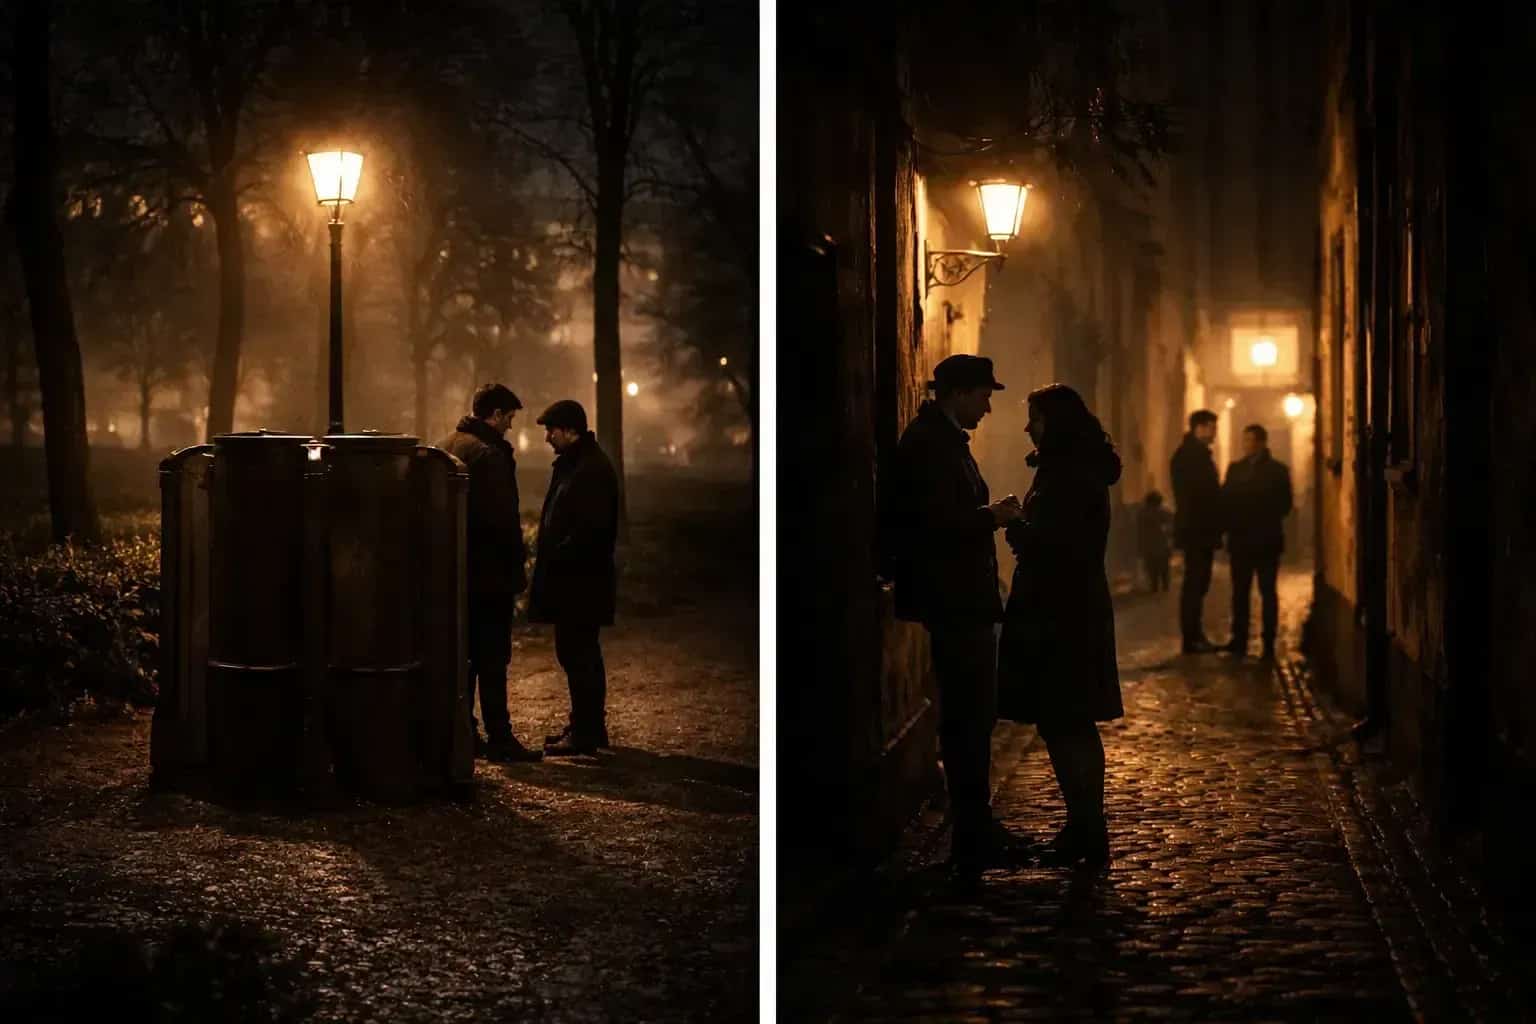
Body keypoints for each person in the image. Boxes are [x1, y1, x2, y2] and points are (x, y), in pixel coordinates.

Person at [888, 353, 1024, 878]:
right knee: (968, 715)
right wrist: (992, 516)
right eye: (985, 395)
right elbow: (932, 523)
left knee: (973, 715)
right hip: (954, 600)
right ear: (960, 393)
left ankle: (976, 825)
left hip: (961, 599)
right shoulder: (929, 445)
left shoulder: (941, 441)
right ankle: (973, 832)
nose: (989, 407)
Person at [997, 384, 1123, 868]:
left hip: (1063, 613)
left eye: (1036, 418)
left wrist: (1014, 524)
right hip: (1067, 608)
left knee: (1067, 720)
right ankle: (1083, 826)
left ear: (1058, 424)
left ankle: (1088, 830)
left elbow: (1058, 548)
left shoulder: (1070, 476)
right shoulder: (1071, 470)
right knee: (1065, 721)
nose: (1028, 426)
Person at [438, 383, 543, 763]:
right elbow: (502, 522)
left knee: (463, 656)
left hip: (455, 573)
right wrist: (516, 573)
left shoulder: (446, 446)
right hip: (489, 576)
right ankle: (499, 735)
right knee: (493, 659)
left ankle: (463, 731)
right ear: (495, 415)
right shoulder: (490, 456)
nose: (511, 427)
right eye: (509, 418)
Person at [528, 400, 620, 757]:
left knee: (579, 655)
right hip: (577, 582)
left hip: (580, 584)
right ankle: (587, 727)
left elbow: (589, 532)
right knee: (577, 654)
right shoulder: (579, 464)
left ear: (570, 430)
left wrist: (559, 557)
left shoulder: (589, 469)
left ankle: (586, 731)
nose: (548, 438)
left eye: (552, 430)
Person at [1222, 424, 1293, 660]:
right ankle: (1239, 639)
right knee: (1239, 593)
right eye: (1245, 440)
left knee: (1267, 592)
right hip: (1240, 541)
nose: (1247, 445)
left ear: (1262, 443)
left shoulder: (1278, 471)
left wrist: (1258, 511)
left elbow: (1285, 504)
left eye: (1251, 440)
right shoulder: (1235, 469)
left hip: (1266, 541)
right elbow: (1226, 501)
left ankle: (1269, 641)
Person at [1170, 409, 1223, 653]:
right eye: (1212, 427)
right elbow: (1198, 496)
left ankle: (1194, 635)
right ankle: (1191, 637)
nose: (1214, 432)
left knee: (1198, 583)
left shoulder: (1193, 454)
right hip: (1197, 530)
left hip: (1199, 529)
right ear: (1199, 428)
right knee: (1195, 583)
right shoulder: (1192, 456)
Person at [1137, 490, 1173, 592]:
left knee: (1152, 569)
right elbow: (1171, 525)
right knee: (1164, 568)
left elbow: (1140, 532)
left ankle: (1154, 586)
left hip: (1148, 546)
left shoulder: (1142, 514)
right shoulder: (1163, 512)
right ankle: (1165, 586)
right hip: (1161, 545)